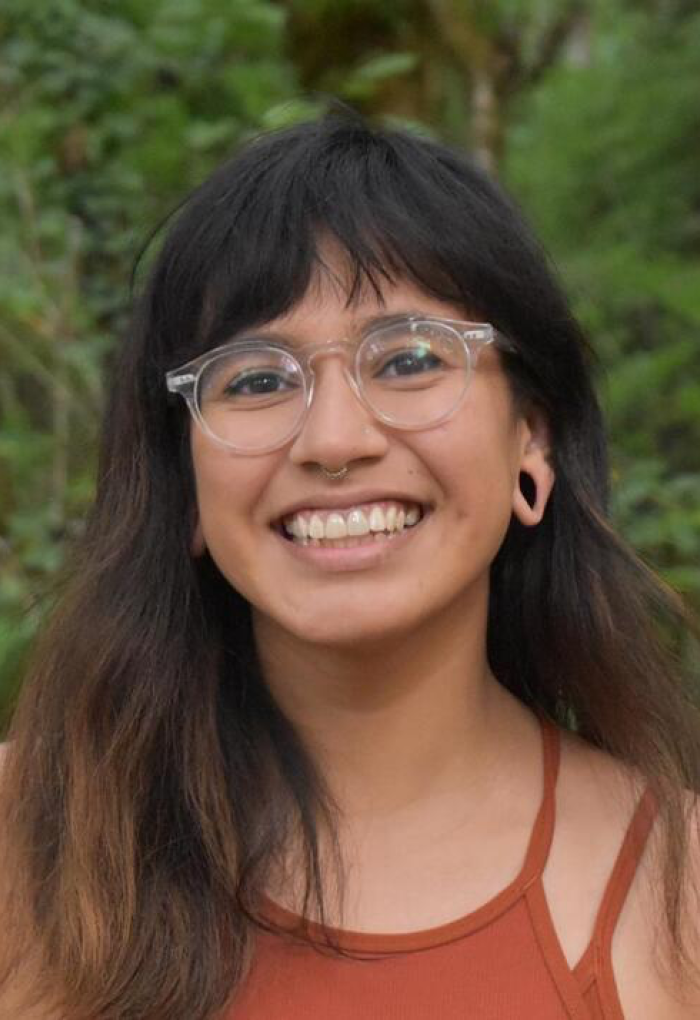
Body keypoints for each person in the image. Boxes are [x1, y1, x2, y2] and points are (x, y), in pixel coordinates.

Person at [0, 111, 698, 1020]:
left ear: (533, 437)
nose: (334, 439)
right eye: (255, 379)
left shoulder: (677, 894)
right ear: (186, 481)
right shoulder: (25, 838)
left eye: (409, 359)